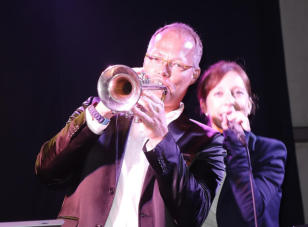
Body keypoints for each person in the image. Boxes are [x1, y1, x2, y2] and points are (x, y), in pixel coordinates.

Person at [35, 23, 225, 227]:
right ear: (145, 60)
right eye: (156, 58)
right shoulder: (95, 110)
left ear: (194, 75)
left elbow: (193, 215)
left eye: (178, 64)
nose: (164, 71)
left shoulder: (208, 141)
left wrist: (161, 138)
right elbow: (47, 171)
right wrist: (102, 111)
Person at [198, 60, 287, 227]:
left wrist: (239, 144)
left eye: (238, 93)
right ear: (204, 105)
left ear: (249, 103)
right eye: (218, 93)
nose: (229, 100)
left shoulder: (270, 151)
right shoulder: (194, 151)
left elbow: (251, 214)